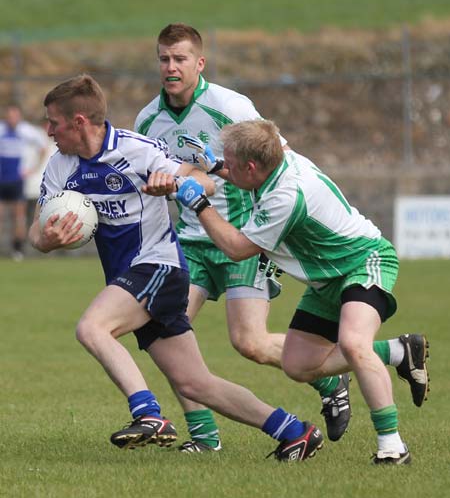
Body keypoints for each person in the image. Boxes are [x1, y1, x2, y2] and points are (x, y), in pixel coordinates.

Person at [28, 74, 325, 463]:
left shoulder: (139, 150)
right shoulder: (60, 167)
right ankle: (294, 432)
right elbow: (36, 232)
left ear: (79, 121)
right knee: (195, 383)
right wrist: (47, 240)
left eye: (53, 122)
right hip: (130, 279)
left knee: (92, 327)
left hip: (159, 267)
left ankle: (148, 414)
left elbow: (208, 183)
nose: (48, 130)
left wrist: (174, 182)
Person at [156, 118, 430, 465]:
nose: (224, 172)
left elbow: (238, 248)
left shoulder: (287, 196)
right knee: (298, 366)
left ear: (252, 166)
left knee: (354, 343)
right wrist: (217, 166)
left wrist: (200, 205)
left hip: (364, 262)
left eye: (231, 164)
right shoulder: (279, 162)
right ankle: (397, 351)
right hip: (325, 279)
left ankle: (393, 447)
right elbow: (244, 176)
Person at [134, 22, 350, 453]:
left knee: (249, 343)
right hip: (189, 244)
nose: (170, 67)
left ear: (200, 63)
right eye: (163, 58)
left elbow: (278, 158)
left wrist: (211, 180)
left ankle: (331, 378)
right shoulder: (147, 119)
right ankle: (204, 438)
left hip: (240, 239)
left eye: (179, 59)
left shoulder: (229, 105)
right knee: (166, 336)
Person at [0, 104, 48, 260]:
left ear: (19, 116)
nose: (12, 118)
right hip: (1, 179)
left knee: (18, 217)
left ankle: (17, 250)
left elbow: (43, 147)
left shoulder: (26, 131)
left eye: (15, 115)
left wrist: (32, 169)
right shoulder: (1, 130)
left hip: (16, 180)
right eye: (9, 115)